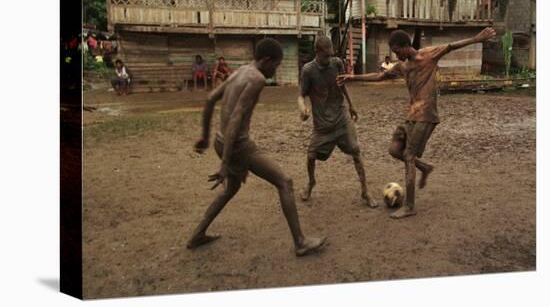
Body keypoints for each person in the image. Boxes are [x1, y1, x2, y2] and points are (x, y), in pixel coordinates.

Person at [337, 27, 496, 219]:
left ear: (406, 46)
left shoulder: (428, 55)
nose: (396, 54)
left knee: (409, 155)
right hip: (411, 115)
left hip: (427, 115)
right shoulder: (402, 66)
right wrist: (353, 77)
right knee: (394, 150)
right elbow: (379, 76)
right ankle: (425, 167)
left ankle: (410, 206)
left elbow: (452, 46)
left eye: (397, 50)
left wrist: (476, 39)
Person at [189, 38, 326, 256]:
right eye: (276, 65)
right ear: (266, 60)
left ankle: (197, 234)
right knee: (285, 182)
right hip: (238, 146)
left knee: (231, 189)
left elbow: (210, 98)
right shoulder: (257, 79)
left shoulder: (242, 70)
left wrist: (205, 137)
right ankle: (300, 242)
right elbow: (236, 118)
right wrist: (225, 163)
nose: (276, 70)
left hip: (220, 140)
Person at [298, 36, 377, 207]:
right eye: (326, 56)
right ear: (317, 52)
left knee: (356, 151)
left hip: (341, 118)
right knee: (311, 155)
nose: (329, 59)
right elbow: (300, 95)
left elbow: (342, 86)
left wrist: (351, 105)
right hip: (322, 125)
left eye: (330, 54)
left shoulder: (336, 63)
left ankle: (365, 191)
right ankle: (311, 183)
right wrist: (303, 109)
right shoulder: (308, 70)